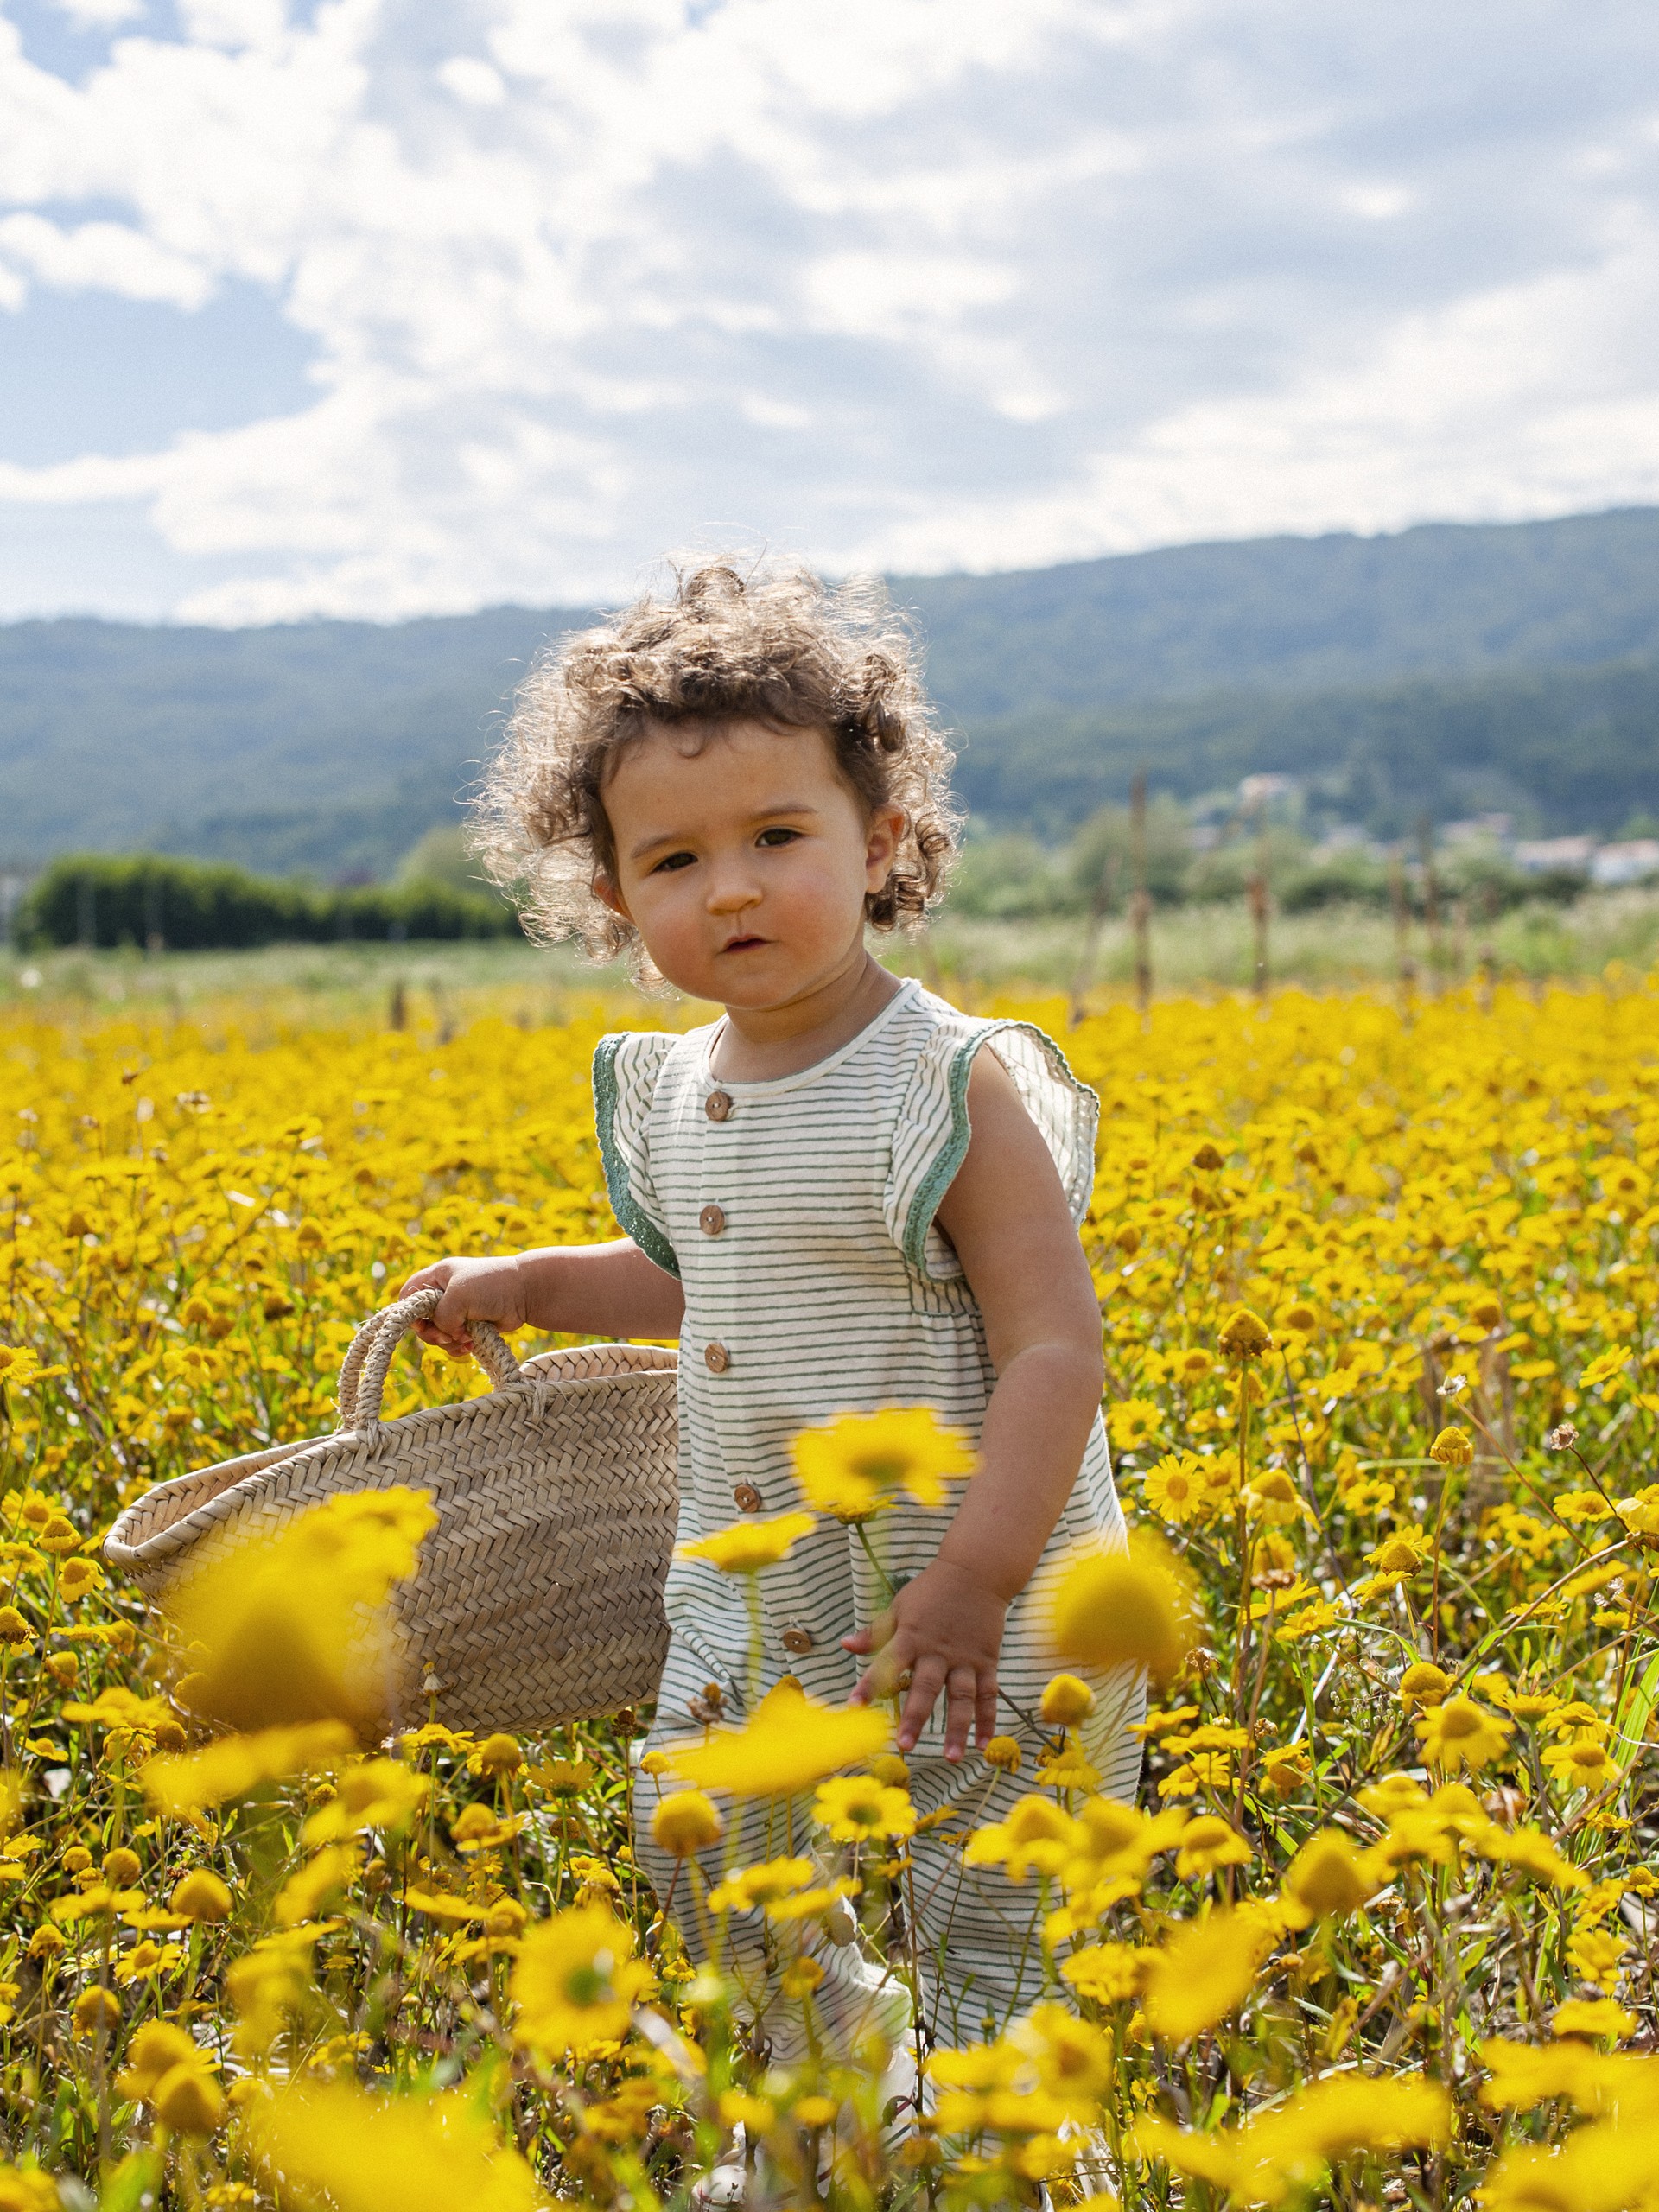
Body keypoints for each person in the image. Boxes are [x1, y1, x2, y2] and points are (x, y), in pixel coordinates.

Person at [399, 560, 1141, 2055]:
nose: (729, 887)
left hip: (987, 1592)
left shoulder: (948, 1083)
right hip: (759, 1583)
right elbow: (714, 1281)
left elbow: (1059, 1347)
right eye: (672, 862)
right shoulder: (678, 1086)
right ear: (612, 897)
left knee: (996, 1899)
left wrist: (982, 1583)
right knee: (706, 1832)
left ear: (886, 844)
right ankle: (836, 2088)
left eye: (778, 837)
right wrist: (537, 1285)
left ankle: (1004, 2140)